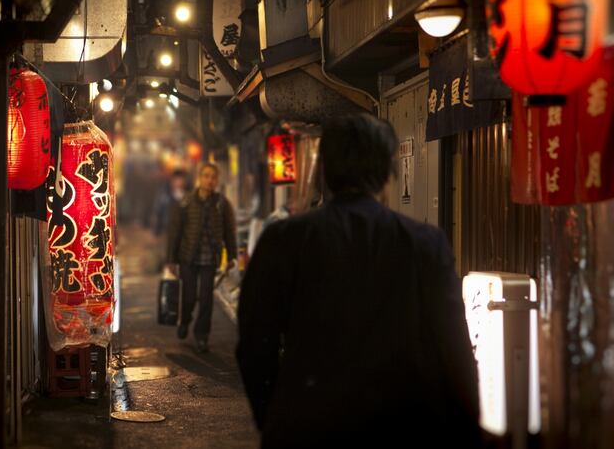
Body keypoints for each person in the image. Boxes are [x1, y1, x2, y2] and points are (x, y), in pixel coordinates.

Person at [236, 114, 481, 448]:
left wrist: (274, 414)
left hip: (306, 425)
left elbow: (254, 342)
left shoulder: (283, 239)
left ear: (324, 172)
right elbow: (454, 350)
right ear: (386, 174)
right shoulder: (424, 243)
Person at [166, 162, 237, 353]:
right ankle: (185, 320)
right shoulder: (186, 202)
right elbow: (175, 232)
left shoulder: (222, 203)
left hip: (209, 259)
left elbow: (229, 231)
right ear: (199, 178)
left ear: (217, 181)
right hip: (188, 257)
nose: (209, 180)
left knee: (206, 299)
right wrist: (171, 259)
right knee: (188, 296)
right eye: (206, 176)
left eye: (213, 177)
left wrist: (231, 256)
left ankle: (201, 336)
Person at [151, 169, 188, 237]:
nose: (179, 182)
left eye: (181, 180)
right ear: (172, 181)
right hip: (166, 229)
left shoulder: (188, 196)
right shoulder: (164, 194)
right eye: (177, 180)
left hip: (182, 231)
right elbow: (158, 212)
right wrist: (156, 231)